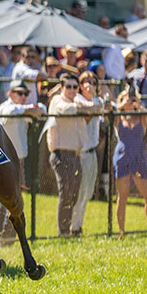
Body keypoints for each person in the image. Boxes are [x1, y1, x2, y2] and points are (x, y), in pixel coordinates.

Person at [47, 74, 102, 236]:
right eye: (68, 87)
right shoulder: (58, 100)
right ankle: (63, 231)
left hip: (75, 154)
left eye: (74, 87)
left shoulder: (76, 100)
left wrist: (91, 104)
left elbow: (98, 107)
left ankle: (71, 229)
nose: (71, 90)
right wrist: (89, 108)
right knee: (66, 193)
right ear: (62, 88)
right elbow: (69, 110)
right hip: (60, 153)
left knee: (75, 193)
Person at [0, 80, 45, 243]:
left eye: (26, 94)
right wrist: (30, 109)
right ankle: (2, 236)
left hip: (19, 161)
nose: (23, 97)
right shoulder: (6, 107)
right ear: (10, 94)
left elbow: (42, 109)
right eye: (19, 93)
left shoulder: (23, 110)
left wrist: (32, 109)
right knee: (7, 197)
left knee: (14, 198)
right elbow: (11, 111)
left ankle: (9, 236)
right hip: (6, 161)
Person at [114, 90, 147, 234]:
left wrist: (139, 106)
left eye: (133, 98)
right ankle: (121, 231)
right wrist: (123, 105)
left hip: (139, 157)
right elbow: (110, 112)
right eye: (128, 98)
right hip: (122, 157)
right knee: (123, 196)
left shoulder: (141, 116)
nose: (131, 101)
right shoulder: (118, 117)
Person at [70, 71, 104, 236]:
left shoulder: (98, 100)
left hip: (93, 152)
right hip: (81, 152)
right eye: (86, 82)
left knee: (89, 191)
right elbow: (89, 116)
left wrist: (95, 104)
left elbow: (103, 107)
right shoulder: (78, 99)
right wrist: (94, 104)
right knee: (81, 191)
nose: (90, 85)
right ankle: (73, 227)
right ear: (81, 85)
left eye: (93, 82)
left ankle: (78, 225)